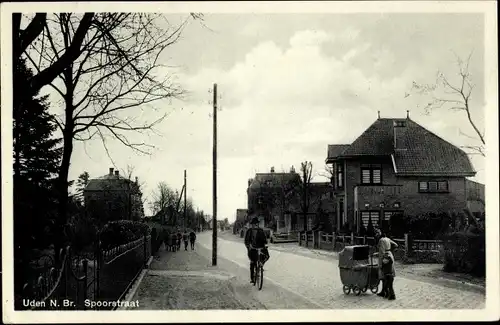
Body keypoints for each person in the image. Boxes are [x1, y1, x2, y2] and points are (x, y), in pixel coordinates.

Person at [244, 216, 270, 284]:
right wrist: (248, 246)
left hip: (261, 247)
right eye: (254, 224)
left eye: (256, 224)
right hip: (252, 249)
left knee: (267, 256)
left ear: (257, 224)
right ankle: (252, 278)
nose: (255, 225)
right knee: (253, 262)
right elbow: (246, 240)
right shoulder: (249, 231)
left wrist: (265, 244)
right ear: (252, 224)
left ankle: (261, 265)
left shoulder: (261, 231)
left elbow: (264, 240)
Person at [374, 228, 398, 300]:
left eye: (377, 233)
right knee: (388, 274)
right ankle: (384, 291)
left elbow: (381, 252)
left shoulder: (381, 240)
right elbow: (396, 245)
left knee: (384, 275)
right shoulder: (387, 239)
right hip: (390, 255)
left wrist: (381, 263)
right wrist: (390, 250)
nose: (376, 235)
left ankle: (386, 292)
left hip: (385, 258)